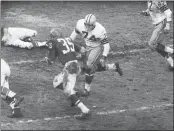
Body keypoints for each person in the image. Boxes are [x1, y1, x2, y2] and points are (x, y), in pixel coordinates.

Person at [69, 14, 123, 97]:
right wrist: (68, 42)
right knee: (85, 67)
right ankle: (113, 67)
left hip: (96, 47)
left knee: (88, 66)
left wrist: (104, 57)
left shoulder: (100, 30)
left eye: (89, 25)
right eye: (85, 24)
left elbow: (106, 45)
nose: (86, 27)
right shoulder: (80, 24)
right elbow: (73, 35)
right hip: (86, 46)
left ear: (93, 25)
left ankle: (87, 90)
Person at [44, 28, 91, 120]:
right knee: (56, 82)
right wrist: (84, 62)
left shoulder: (53, 42)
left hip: (70, 68)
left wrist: (47, 58)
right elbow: (83, 50)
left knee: (67, 91)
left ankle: (85, 110)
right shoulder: (68, 39)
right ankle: (76, 94)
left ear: (53, 36)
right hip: (76, 65)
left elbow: (51, 61)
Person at [140, 0, 173, 69]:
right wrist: (145, 13)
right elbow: (152, 11)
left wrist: (168, 25)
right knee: (158, 46)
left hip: (162, 23)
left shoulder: (158, 1)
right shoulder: (150, 1)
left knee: (153, 44)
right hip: (157, 25)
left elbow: (168, 12)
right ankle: (171, 61)